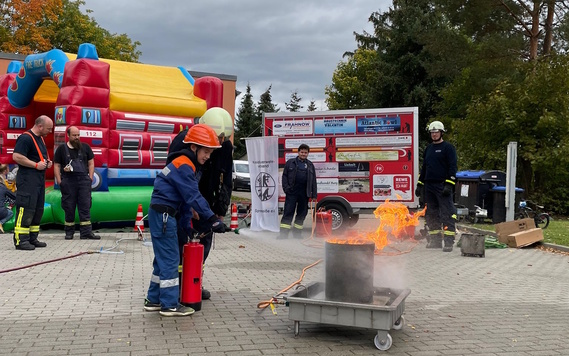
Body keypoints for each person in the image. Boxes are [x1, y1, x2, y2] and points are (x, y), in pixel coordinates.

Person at [143, 124, 227, 317]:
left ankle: (153, 299)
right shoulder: (184, 165)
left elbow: (184, 202)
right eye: (206, 152)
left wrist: (186, 227)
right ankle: (170, 305)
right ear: (194, 147)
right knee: (172, 259)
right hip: (164, 215)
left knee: (161, 260)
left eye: (210, 153)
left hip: (164, 214)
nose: (208, 157)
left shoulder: (185, 164)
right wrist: (213, 219)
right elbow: (192, 196)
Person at [168, 108, 233, 301]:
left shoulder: (225, 147)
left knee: (203, 244)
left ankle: (194, 281)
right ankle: (178, 285)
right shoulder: (183, 140)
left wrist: (220, 209)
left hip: (206, 203)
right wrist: (189, 206)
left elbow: (226, 178)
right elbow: (176, 177)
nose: (218, 144)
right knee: (180, 244)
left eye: (222, 140)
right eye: (215, 140)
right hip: (185, 201)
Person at [12, 115, 53, 250]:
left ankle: (32, 238)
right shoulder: (25, 138)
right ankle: (20, 240)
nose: (50, 132)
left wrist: (46, 163)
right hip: (27, 180)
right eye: (48, 129)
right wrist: (35, 165)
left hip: (38, 181)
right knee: (26, 208)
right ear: (40, 126)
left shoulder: (40, 138)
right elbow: (17, 156)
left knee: (37, 209)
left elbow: (39, 158)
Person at [415, 121, 458, 252]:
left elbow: (453, 167)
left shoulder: (448, 148)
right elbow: (424, 168)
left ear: (441, 132)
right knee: (431, 214)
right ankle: (436, 241)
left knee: (447, 213)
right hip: (429, 186)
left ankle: (449, 242)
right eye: (432, 133)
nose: (434, 135)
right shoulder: (428, 149)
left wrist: (449, 184)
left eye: (436, 132)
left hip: (442, 185)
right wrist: (419, 184)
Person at [53, 126, 100, 240]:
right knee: (69, 206)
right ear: (68, 136)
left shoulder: (85, 147)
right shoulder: (61, 149)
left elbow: (91, 163)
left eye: (78, 135)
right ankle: (69, 232)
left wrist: (90, 177)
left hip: (84, 181)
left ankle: (86, 233)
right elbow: (57, 165)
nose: (77, 137)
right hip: (68, 181)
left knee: (85, 206)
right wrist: (59, 180)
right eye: (74, 135)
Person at [279, 143, 317, 239]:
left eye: (305, 152)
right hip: (292, 192)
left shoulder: (310, 165)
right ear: (298, 152)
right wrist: (286, 189)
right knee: (288, 212)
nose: (303, 154)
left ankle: (297, 235)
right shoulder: (290, 163)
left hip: (304, 193)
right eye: (302, 152)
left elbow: (313, 181)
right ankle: (283, 235)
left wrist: (314, 195)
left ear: (308, 153)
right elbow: (284, 176)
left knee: (301, 214)